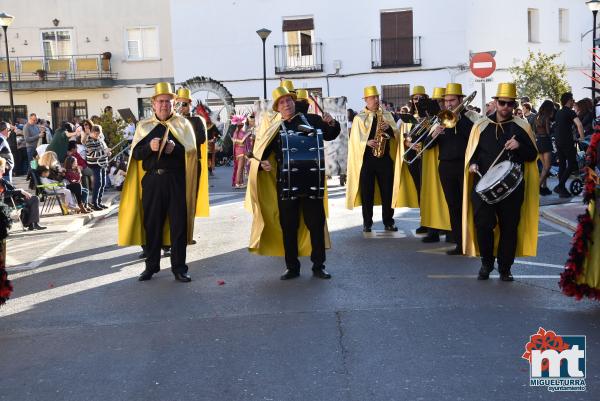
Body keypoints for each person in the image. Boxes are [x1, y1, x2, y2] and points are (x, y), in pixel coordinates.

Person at [246, 86, 340, 280]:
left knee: (315, 224)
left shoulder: (312, 120)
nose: (286, 104)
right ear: (278, 108)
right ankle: (292, 267)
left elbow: (331, 134)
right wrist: (261, 163)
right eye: (282, 102)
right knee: (288, 225)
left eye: (288, 100)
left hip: (312, 181)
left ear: (294, 102)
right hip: (286, 183)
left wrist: (333, 123)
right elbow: (260, 154)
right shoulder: (275, 128)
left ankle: (318, 265)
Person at [118, 82, 204, 283]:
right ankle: (151, 266)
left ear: (173, 103)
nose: (164, 105)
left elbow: (192, 154)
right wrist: (150, 147)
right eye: (161, 101)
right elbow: (136, 154)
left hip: (176, 180)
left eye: (168, 101)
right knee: (152, 224)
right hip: (153, 181)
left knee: (178, 225)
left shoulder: (183, 125)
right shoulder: (144, 127)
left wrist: (175, 150)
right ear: (153, 104)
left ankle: (179, 268)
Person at [463, 83, 539, 281]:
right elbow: (473, 153)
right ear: (495, 103)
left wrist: (519, 145)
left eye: (510, 104)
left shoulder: (521, 127)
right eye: (502, 103)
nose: (505, 107)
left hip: (512, 188)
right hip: (483, 187)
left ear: (514, 105)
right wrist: (472, 164)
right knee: (483, 225)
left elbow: (532, 156)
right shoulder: (481, 126)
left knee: (509, 227)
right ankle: (486, 263)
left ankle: (505, 268)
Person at [346, 86, 418, 233]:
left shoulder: (387, 115)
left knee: (387, 192)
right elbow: (353, 140)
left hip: (384, 159)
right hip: (366, 160)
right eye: (373, 98)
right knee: (367, 193)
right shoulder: (359, 118)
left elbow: (396, 135)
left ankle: (388, 221)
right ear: (366, 100)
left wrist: (389, 129)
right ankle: (367, 223)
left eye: (377, 97)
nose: (376, 100)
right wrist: (365, 142)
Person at [429, 83, 476, 255]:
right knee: (453, 206)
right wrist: (435, 134)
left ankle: (472, 240)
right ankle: (459, 243)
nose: (448, 104)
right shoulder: (440, 120)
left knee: (468, 205)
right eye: (446, 101)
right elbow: (428, 146)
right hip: (446, 167)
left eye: (452, 100)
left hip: (463, 166)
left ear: (460, 100)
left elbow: (473, 140)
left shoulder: (469, 119)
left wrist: (458, 119)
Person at [175, 87, 209, 218]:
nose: (181, 107)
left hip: (193, 162)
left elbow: (201, 138)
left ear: (190, 105)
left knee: (191, 198)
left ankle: (189, 234)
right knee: (177, 200)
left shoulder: (197, 120)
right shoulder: (172, 121)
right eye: (178, 104)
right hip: (176, 164)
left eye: (184, 104)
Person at [0, 157, 46, 230]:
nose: (4, 170)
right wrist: (20, 191)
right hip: (5, 202)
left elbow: (14, 189)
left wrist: (23, 192)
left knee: (34, 199)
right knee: (30, 201)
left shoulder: (2, 179)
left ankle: (33, 223)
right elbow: (3, 194)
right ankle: (30, 223)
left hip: (13, 199)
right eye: (2, 167)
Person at [554, 92, 585, 198]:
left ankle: (562, 190)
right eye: (573, 100)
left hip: (558, 141)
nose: (574, 102)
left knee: (562, 165)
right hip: (567, 142)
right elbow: (579, 124)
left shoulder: (559, 112)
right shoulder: (570, 112)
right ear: (568, 100)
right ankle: (560, 186)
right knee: (572, 164)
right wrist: (582, 137)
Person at [533, 100, 555, 196]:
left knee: (544, 167)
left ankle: (544, 188)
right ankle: (537, 187)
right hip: (545, 142)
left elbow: (534, 131)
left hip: (538, 142)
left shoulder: (536, 117)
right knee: (547, 167)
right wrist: (552, 126)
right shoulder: (546, 118)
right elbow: (548, 132)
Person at [85, 124, 110, 210]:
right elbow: (92, 154)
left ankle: (99, 202)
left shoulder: (99, 139)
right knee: (98, 184)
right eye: (96, 134)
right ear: (92, 132)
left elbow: (103, 149)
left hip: (102, 164)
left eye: (98, 134)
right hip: (94, 164)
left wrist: (107, 153)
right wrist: (105, 152)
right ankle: (94, 203)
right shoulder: (89, 141)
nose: (97, 135)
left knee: (102, 184)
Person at [230, 114, 250, 188]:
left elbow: (236, 141)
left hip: (239, 151)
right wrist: (246, 137)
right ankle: (237, 183)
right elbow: (240, 142)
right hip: (240, 151)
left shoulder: (237, 132)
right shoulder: (239, 132)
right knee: (240, 167)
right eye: (242, 124)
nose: (243, 125)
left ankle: (240, 182)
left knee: (241, 167)